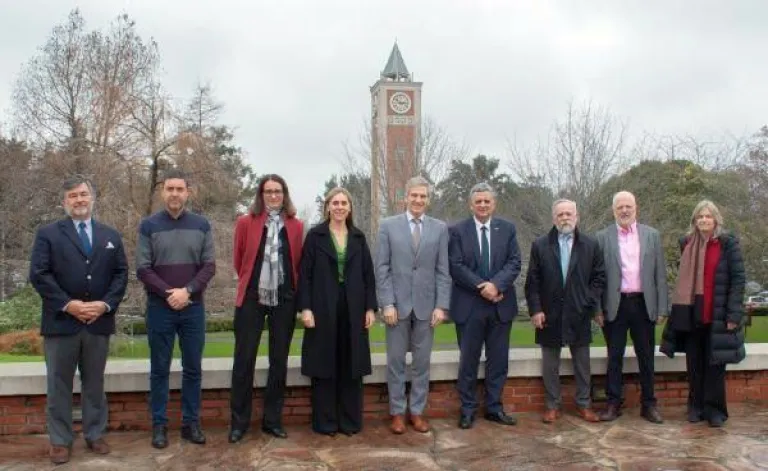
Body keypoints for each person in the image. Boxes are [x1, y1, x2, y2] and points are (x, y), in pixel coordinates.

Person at [29, 176, 128, 464]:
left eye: (83, 194)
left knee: (94, 383)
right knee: (58, 384)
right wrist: (68, 304)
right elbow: (39, 274)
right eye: (73, 196)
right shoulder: (48, 234)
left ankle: (95, 434)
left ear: (92, 198)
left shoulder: (110, 235)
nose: (79, 200)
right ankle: (60, 441)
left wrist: (105, 304)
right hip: (61, 323)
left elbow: (121, 274)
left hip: (98, 322)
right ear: (64, 202)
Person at [136, 169, 216, 448]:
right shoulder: (148, 226)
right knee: (159, 369)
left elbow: (209, 266)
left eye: (179, 189)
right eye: (170, 189)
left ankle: (190, 423)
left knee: (193, 368)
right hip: (160, 308)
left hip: (193, 307)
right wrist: (169, 293)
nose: (174, 194)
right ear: (162, 192)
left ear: (187, 193)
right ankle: (159, 425)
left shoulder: (202, 225)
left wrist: (187, 291)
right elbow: (143, 268)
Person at [229, 175, 304, 443]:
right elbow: (239, 260)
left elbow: (297, 261)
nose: (273, 196)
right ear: (261, 195)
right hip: (252, 296)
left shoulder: (296, 225)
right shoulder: (245, 222)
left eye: (278, 191)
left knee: (278, 361)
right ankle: (239, 423)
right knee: (244, 360)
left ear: (285, 194)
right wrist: (257, 284)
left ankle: (272, 421)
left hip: (285, 298)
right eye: (268, 191)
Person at [297, 187, 376, 436]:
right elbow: (305, 276)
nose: (340, 207)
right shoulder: (315, 236)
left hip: (354, 308)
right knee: (324, 364)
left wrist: (370, 307)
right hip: (322, 307)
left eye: (344, 203)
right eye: (335, 203)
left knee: (351, 365)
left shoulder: (359, 237)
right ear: (328, 207)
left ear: (350, 208)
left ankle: (350, 422)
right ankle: (326, 422)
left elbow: (368, 276)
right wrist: (306, 308)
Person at [375, 176, 451, 434]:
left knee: (422, 363)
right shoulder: (388, 226)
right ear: (405, 197)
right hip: (396, 308)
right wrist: (387, 303)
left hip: (427, 308)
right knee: (395, 362)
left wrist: (441, 305)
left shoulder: (440, 228)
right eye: (414, 195)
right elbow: (382, 268)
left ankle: (417, 411)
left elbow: (443, 270)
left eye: (423, 196)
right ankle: (397, 412)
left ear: (428, 199)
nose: (418, 200)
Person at [661, 200, 745, 427]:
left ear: (716, 219)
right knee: (694, 365)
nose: (704, 220)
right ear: (694, 220)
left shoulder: (728, 244)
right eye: (700, 216)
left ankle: (715, 410)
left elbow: (738, 280)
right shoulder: (686, 243)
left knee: (715, 365)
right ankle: (695, 407)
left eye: (708, 216)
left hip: (717, 315)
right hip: (692, 313)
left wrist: (733, 314)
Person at [524, 199, 605, 423]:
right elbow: (532, 282)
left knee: (582, 363)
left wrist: (587, 301)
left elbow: (599, 278)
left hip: (579, 312)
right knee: (550, 364)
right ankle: (552, 405)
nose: (565, 218)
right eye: (560, 215)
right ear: (554, 218)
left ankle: (584, 404)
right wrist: (536, 310)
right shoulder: (540, 245)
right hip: (549, 313)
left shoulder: (590, 244)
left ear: (576, 217)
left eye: (569, 214)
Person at [448, 182, 522, 429]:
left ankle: (494, 408)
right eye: (478, 201)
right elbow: (456, 265)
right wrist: (483, 286)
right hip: (469, 306)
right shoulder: (457, 231)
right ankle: (468, 409)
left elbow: (514, 262)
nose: (482, 205)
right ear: (471, 205)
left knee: (498, 361)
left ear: (494, 204)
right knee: (468, 362)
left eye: (486, 201)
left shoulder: (507, 229)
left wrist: (496, 286)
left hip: (500, 305)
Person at [595, 191, 667, 423]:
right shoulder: (601, 237)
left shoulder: (652, 235)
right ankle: (613, 403)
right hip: (614, 305)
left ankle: (649, 404)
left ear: (636, 208)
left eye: (628, 206)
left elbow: (660, 274)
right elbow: (595, 278)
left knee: (646, 357)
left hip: (643, 304)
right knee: (614, 357)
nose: (624, 211)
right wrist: (596, 309)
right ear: (613, 210)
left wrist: (662, 307)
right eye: (620, 207)